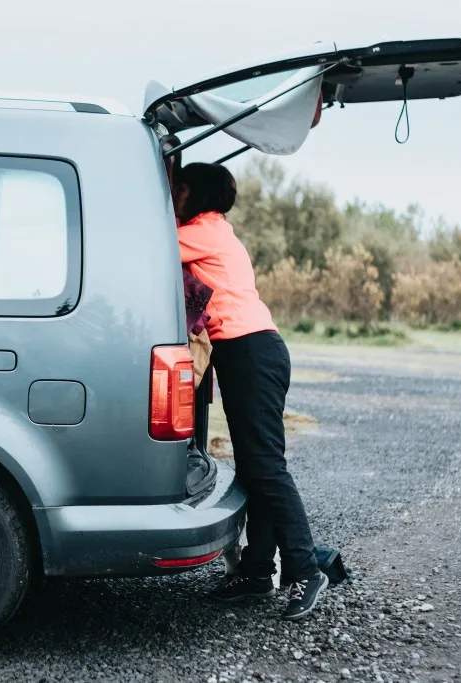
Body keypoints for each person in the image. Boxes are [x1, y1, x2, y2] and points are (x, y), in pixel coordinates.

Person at [173, 161, 328, 621]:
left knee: (266, 467)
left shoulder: (204, 230)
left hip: (251, 352)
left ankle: (304, 568)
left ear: (197, 196)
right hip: (254, 351)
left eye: (179, 190)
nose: (174, 198)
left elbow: (145, 245)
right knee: (258, 465)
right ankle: (257, 571)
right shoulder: (214, 230)